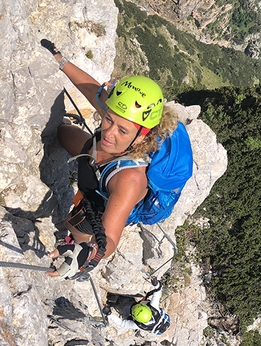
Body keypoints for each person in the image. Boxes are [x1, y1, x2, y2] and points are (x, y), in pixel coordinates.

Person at [40, 39, 179, 279]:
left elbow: (110, 237)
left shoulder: (131, 179)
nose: (109, 133)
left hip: (97, 203)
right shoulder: (123, 114)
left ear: (141, 136)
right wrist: (60, 60)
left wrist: (89, 252)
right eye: (108, 119)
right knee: (62, 133)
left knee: (73, 226)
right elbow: (90, 87)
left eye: (122, 131)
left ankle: (73, 239)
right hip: (90, 159)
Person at [103, 277, 170, 335]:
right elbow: (158, 290)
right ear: (147, 307)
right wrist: (156, 283)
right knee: (126, 302)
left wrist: (109, 314)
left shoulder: (139, 325)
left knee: (124, 305)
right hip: (135, 306)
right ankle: (112, 302)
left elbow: (122, 323)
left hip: (129, 309)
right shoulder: (154, 307)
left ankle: (111, 302)